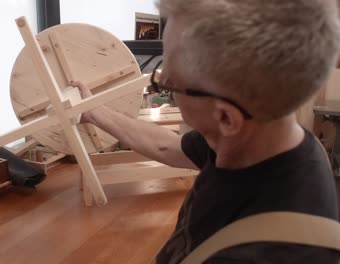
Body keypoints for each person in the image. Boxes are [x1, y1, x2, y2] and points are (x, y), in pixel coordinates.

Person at [73, 0, 340, 263]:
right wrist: (94, 112)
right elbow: (167, 146)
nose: (163, 81)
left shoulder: (267, 253)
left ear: (225, 117)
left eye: (171, 81)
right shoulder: (264, 136)